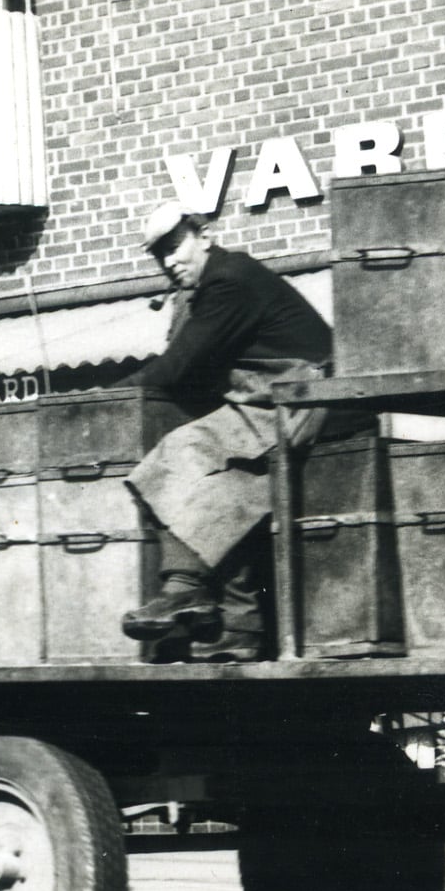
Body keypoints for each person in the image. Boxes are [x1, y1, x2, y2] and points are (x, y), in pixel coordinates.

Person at [120, 202, 338, 662]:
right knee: (213, 477)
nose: (170, 261)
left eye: (176, 245)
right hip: (274, 398)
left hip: (300, 397)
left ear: (205, 234)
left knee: (187, 453)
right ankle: (224, 620)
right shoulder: (206, 288)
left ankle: (190, 593)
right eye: (160, 254)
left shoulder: (229, 280)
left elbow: (179, 367)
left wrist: (104, 394)